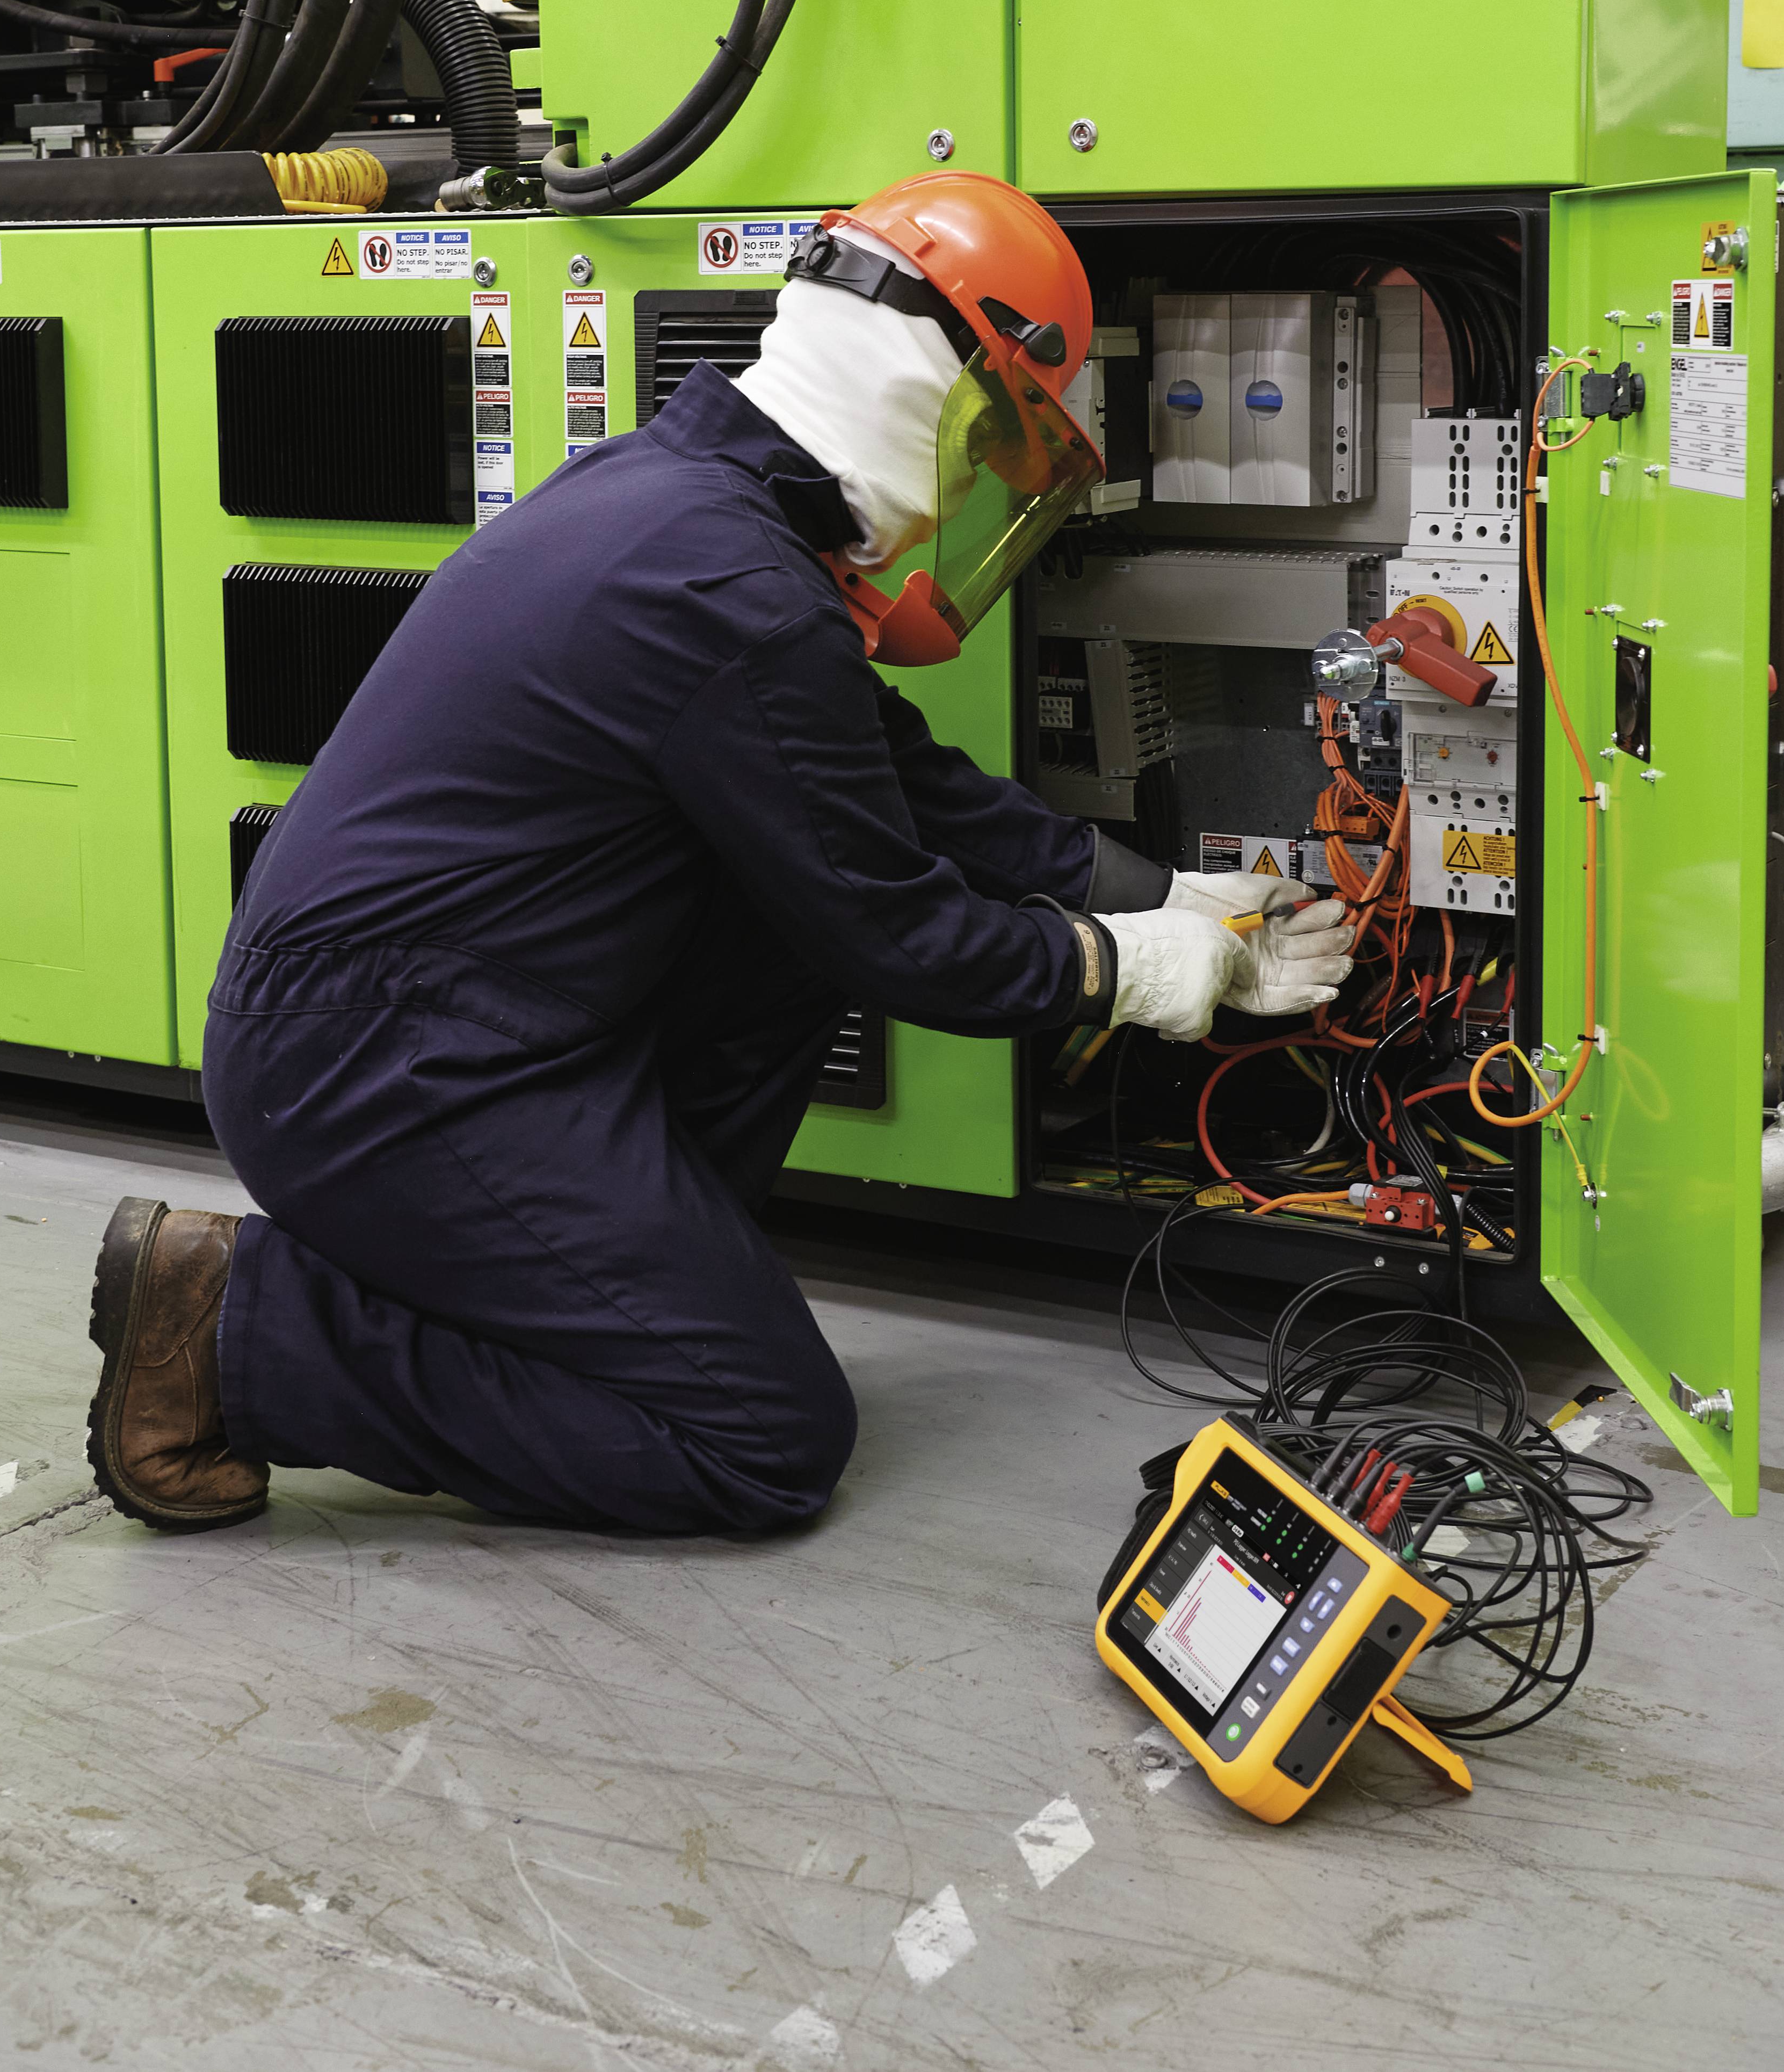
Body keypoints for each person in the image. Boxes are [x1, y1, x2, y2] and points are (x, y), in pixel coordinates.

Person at [85, 172, 1354, 1538]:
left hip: (432, 1027)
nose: (971, 498)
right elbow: (902, 937)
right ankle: (235, 1328)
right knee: (759, 1439)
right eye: (996, 451)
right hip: (384, 1074)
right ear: (944, 393)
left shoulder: (682, 503)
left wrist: (1162, 892)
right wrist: (1139, 969)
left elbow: (897, 788)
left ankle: (641, 1291)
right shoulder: (730, 588)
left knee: (779, 917)